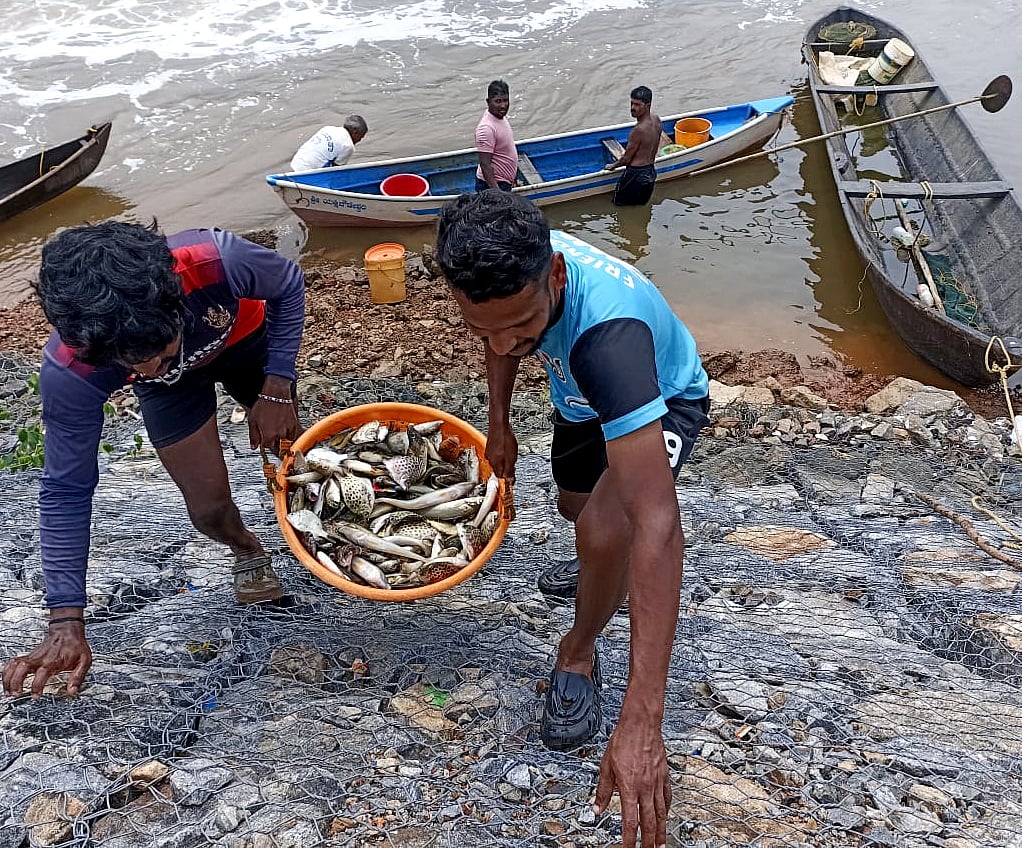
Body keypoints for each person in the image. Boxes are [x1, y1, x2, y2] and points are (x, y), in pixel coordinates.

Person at [435, 191, 709, 848]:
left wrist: (643, 720)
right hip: (579, 400)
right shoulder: (511, 285)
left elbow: (659, 526)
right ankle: (597, 575)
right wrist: (498, 424)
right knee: (574, 508)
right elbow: (503, 335)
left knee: (608, 530)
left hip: (658, 398)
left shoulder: (609, 341)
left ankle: (578, 653)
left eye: (523, 326)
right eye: (483, 328)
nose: (505, 343)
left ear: (556, 276)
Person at [1, 221, 306, 700]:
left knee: (299, 458)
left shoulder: (214, 260)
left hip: (242, 341)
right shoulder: (73, 368)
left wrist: (278, 386)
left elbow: (288, 284)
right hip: (171, 393)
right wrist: (64, 619)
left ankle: (326, 533)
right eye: (129, 365)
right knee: (207, 508)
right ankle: (247, 548)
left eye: (155, 355)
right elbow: (66, 490)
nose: (143, 369)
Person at [604, 86, 662, 206]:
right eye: (631, 103)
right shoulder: (656, 120)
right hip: (650, 172)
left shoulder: (638, 130)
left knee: (620, 207)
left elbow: (626, 159)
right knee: (640, 207)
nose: (632, 108)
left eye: (637, 105)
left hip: (635, 176)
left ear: (647, 105)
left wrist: (613, 166)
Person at [475, 80, 517, 192]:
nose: (503, 106)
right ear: (488, 102)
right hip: (492, 186)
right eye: (498, 101)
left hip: (505, 182)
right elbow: (485, 165)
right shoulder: (486, 128)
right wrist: (498, 194)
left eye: (505, 100)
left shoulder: (500, 117)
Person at [289, 115, 368, 171]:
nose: (359, 140)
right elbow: (336, 169)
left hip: (296, 162)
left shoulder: (328, 128)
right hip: (307, 171)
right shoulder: (348, 146)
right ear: (355, 133)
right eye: (361, 137)